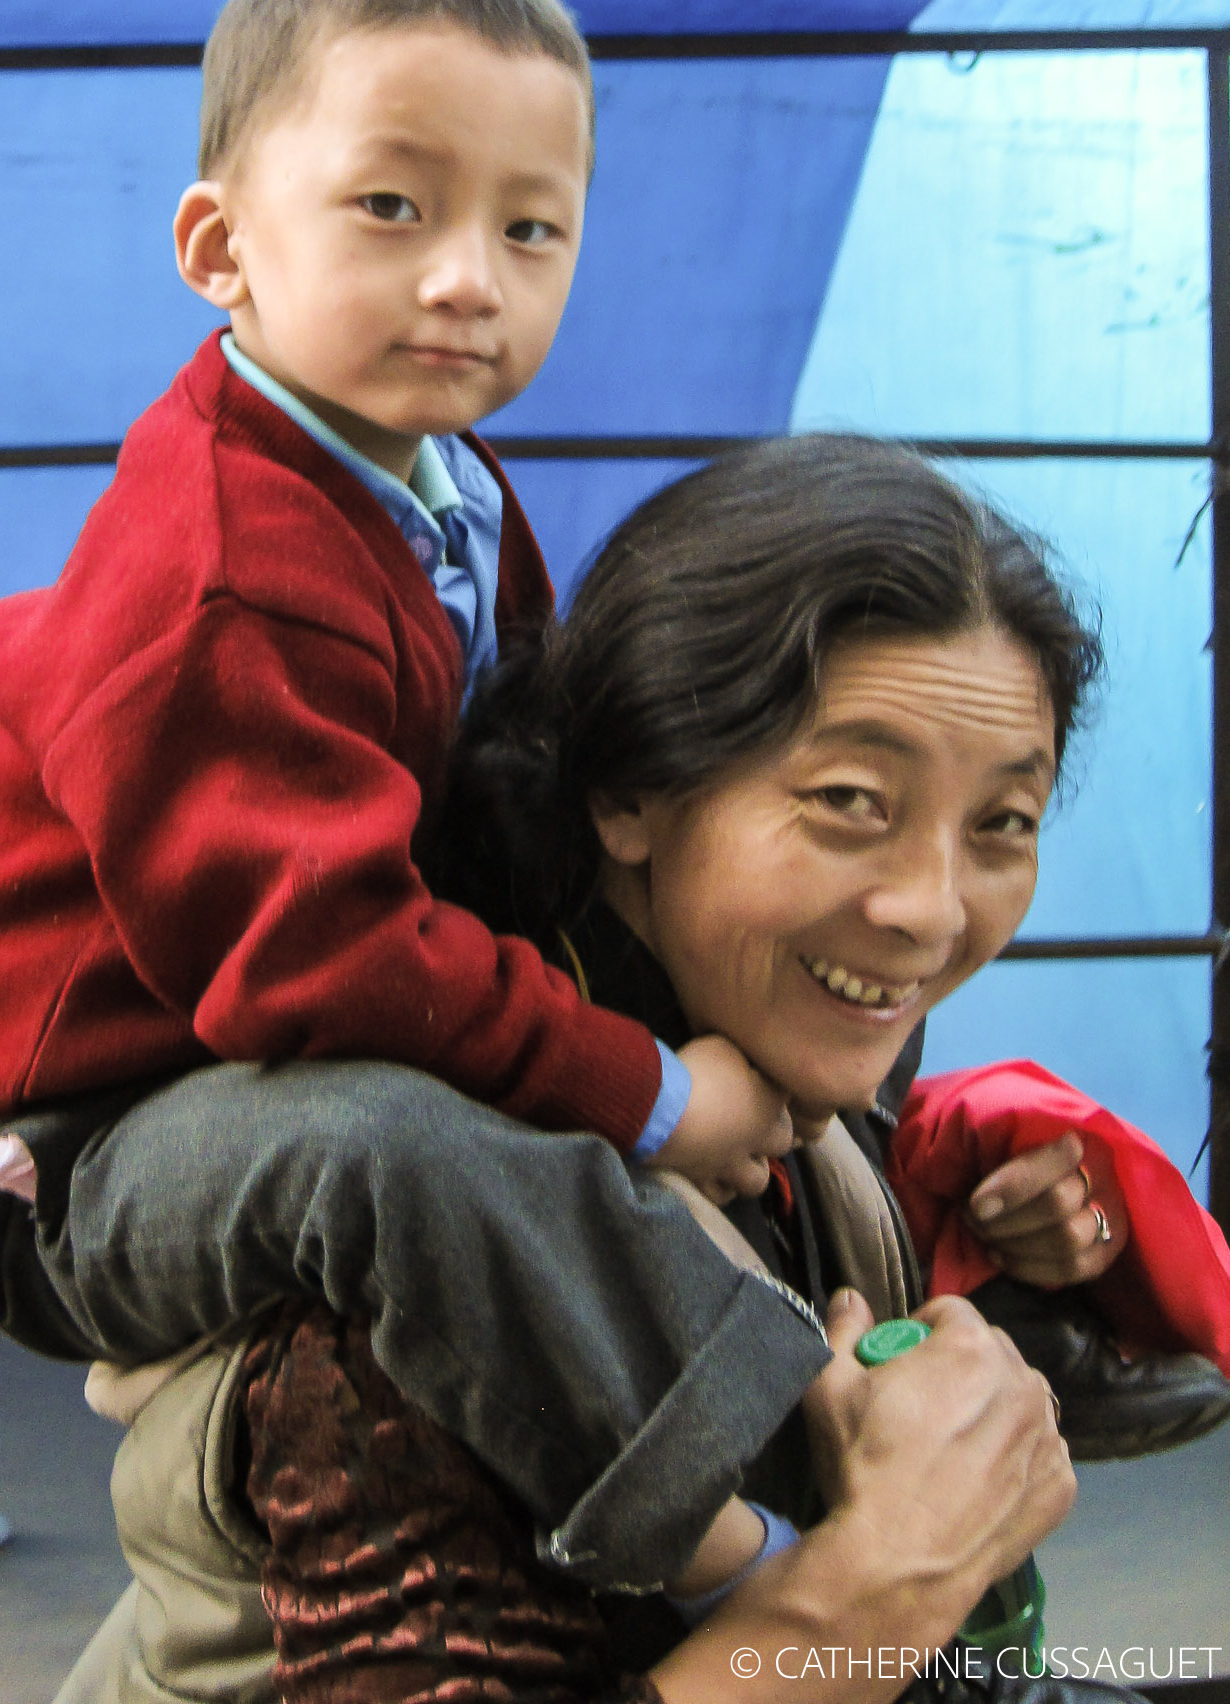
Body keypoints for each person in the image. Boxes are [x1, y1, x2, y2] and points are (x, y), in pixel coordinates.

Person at [55, 438, 1146, 1704]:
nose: (932, 909)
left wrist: (1001, 1263)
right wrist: (880, 1585)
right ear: (629, 793)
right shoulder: (414, 1288)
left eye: (1002, 823)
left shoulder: (779, 1072)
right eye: (852, 798)